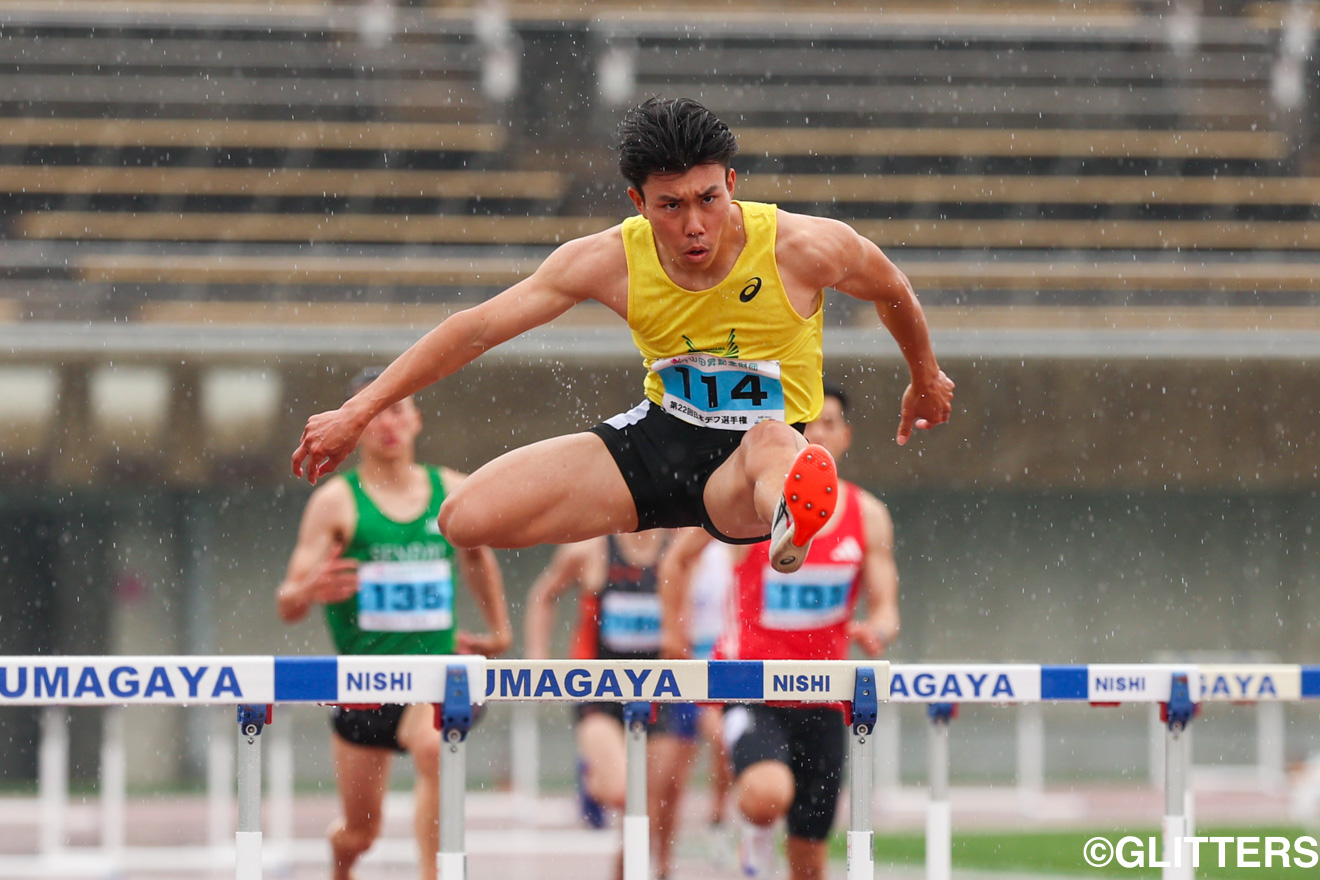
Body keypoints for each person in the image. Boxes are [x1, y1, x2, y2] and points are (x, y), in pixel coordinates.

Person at [291, 96, 953, 575]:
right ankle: (658, 524)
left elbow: (890, 286)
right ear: (638, 202)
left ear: (732, 183)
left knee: (773, 442)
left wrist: (924, 375)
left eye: (708, 199)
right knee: (463, 517)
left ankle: (791, 515)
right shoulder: (608, 259)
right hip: (658, 441)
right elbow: (477, 329)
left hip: (754, 463)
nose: (694, 225)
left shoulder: (802, 247)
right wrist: (359, 409)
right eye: (671, 205)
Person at [276, 367, 513, 880]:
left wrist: (500, 631)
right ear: (355, 426)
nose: (388, 422)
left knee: (433, 747)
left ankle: (433, 873)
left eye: (398, 409)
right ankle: (341, 861)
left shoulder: (448, 488)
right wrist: (309, 589)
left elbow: (478, 557)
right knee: (361, 834)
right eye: (374, 412)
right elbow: (287, 603)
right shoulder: (337, 502)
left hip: (433, 671)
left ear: (416, 419)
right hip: (362, 684)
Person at [658, 384, 899, 880]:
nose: (818, 435)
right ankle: (750, 827)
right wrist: (673, 638)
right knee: (768, 796)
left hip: (826, 695)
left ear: (845, 435)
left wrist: (876, 631)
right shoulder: (753, 506)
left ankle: (760, 833)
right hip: (754, 688)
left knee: (809, 862)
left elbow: (887, 608)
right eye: (807, 425)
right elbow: (678, 559)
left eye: (828, 424)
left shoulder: (867, 516)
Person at [523, 529, 698, 880]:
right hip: (599, 692)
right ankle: (593, 775)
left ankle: (651, 869)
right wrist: (538, 658)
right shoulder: (590, 551)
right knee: (622, 791)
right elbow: (544, 594)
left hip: (656, 692)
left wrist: (677, 638)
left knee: (653, 801)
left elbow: (688, 616)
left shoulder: (676, 554)